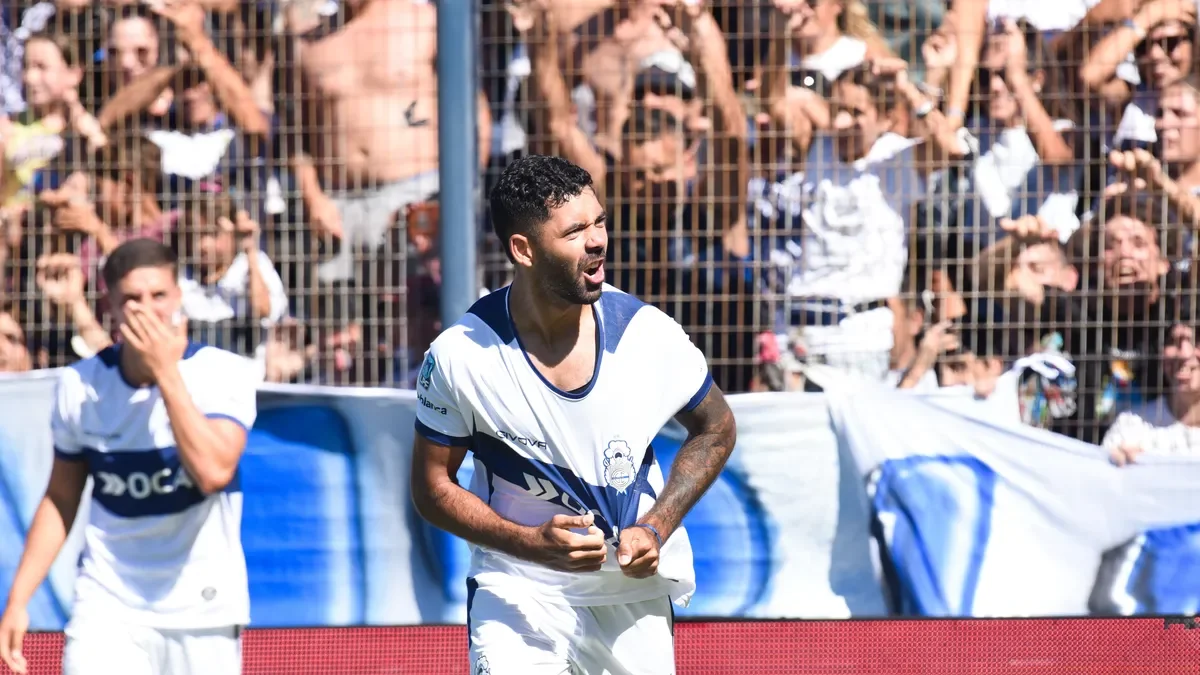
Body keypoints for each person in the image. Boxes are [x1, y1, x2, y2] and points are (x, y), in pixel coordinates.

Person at [410, 155, 737, 675]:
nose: (598, 241)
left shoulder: (647, 334)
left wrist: (656, 527)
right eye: (576, 230)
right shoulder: (459, 356)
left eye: (600, 221)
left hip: (630, 598)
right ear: (524, 250)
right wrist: (530, 544)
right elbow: (432, 488)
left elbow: (717, 428)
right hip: (517, 591)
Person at [0, 238, 257, 675]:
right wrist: (19, 599)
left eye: (158, 296)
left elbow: (214, 472)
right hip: (108, 604)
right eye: (131, 299)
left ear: (178, 297)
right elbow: (61, 498)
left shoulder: (221, 373)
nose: (146, 310)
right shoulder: (81, 386)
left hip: (202, 607)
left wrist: (164, 372)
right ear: (112, 308)